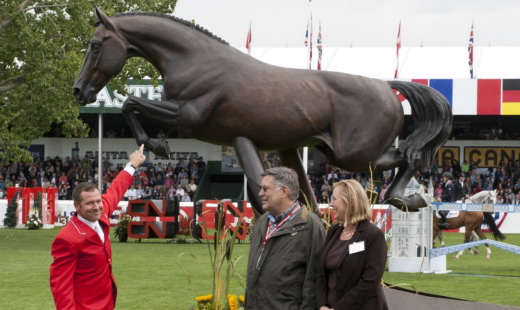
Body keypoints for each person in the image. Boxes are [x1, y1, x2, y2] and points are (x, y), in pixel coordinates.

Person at [49, 145, 146, 310]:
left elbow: (116, 189)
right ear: (77, 206)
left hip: (107, 303)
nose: (96, 206)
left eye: (98, 201)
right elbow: (61, 286)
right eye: (89, 203)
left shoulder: (101, 214)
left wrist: (132, 165)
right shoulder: (67, 239)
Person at [245, 167, 325, 309]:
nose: (260, 193)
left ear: (284, 192)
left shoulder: (310, 226)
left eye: (265, 189)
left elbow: (314, 280)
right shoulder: (262, 222)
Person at [315, 180, 388, 310]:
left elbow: (370, 281)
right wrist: (322, 305)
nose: (331, 204)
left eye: (335, 199)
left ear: (351, 201)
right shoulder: (334, 231)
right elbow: (321, 273)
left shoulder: (373, 235)